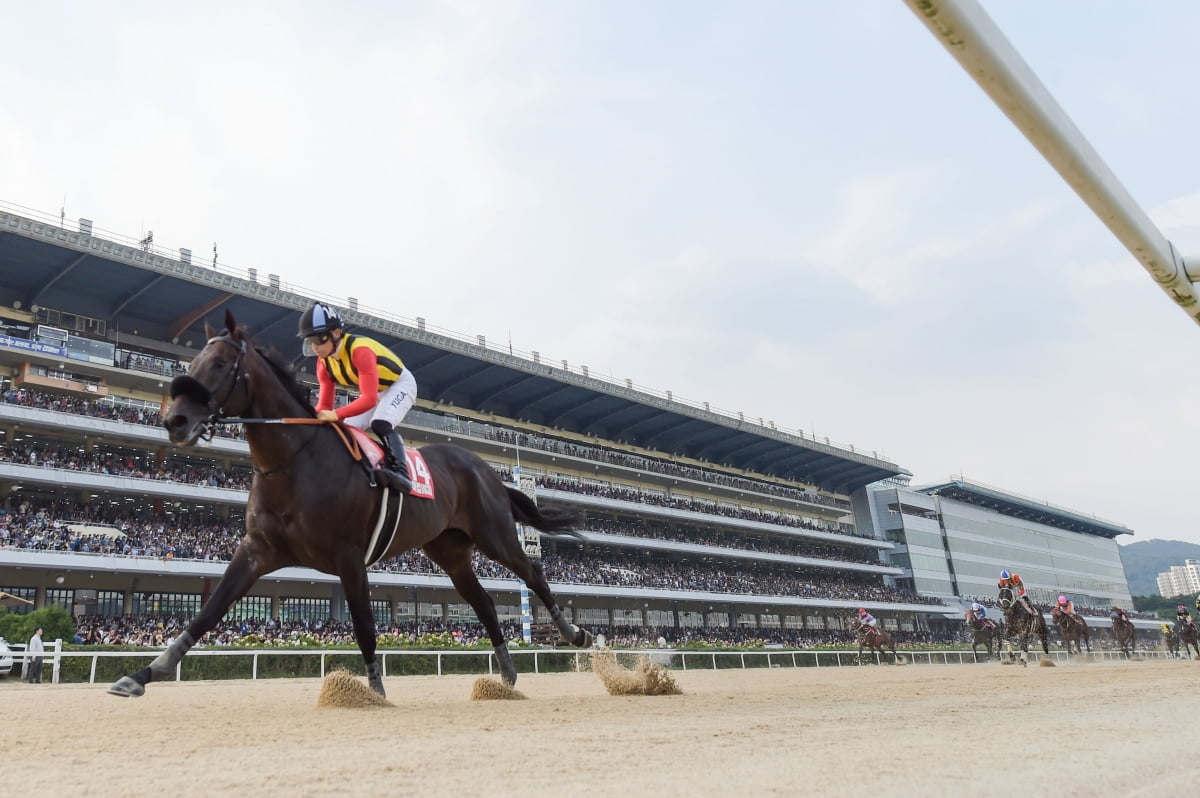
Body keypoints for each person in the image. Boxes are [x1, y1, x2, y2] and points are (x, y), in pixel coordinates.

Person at [298, 302, 415, 493]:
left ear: (336, 333)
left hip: (399, 384)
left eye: (318, 339)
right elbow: (324, 407)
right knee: (346, 430)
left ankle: (402, 474)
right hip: (376, 389)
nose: (314, 347)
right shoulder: (323, 364)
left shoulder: (360, 351)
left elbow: (368, 399)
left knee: (380, 423)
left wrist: (335, 414)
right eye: (309, 340)